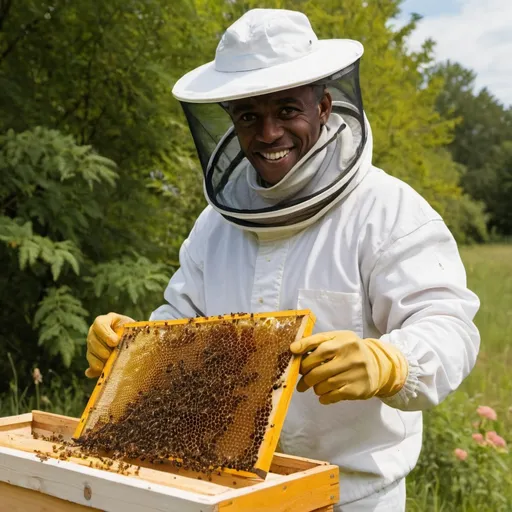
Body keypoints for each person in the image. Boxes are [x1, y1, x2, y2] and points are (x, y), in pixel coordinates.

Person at [85, 9, 480, 511]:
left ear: (324, 107)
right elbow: (184, 322)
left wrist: (393, 361)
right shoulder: (215, 226)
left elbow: (449, 326)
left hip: (353, 495)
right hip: (232, 490)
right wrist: (132, 348)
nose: (268, 133)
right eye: (249, 115)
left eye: (287, 110)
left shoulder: (389, 211)